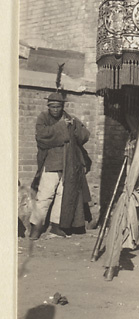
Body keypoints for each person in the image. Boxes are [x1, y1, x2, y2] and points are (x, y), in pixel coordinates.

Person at [29, 91, 91, 240]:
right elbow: (42, 137)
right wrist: (62, 127)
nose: (55, 110)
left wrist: (74, 127)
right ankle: (36, 227)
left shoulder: (70, 119)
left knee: (62, 195)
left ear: (63, 106)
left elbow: (84, 136)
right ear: (48, 107)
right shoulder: (43, 118)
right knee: (45, 195)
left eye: (58, 106)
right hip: (51, 163)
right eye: (53, 107)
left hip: (68, 164)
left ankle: (56, 226)